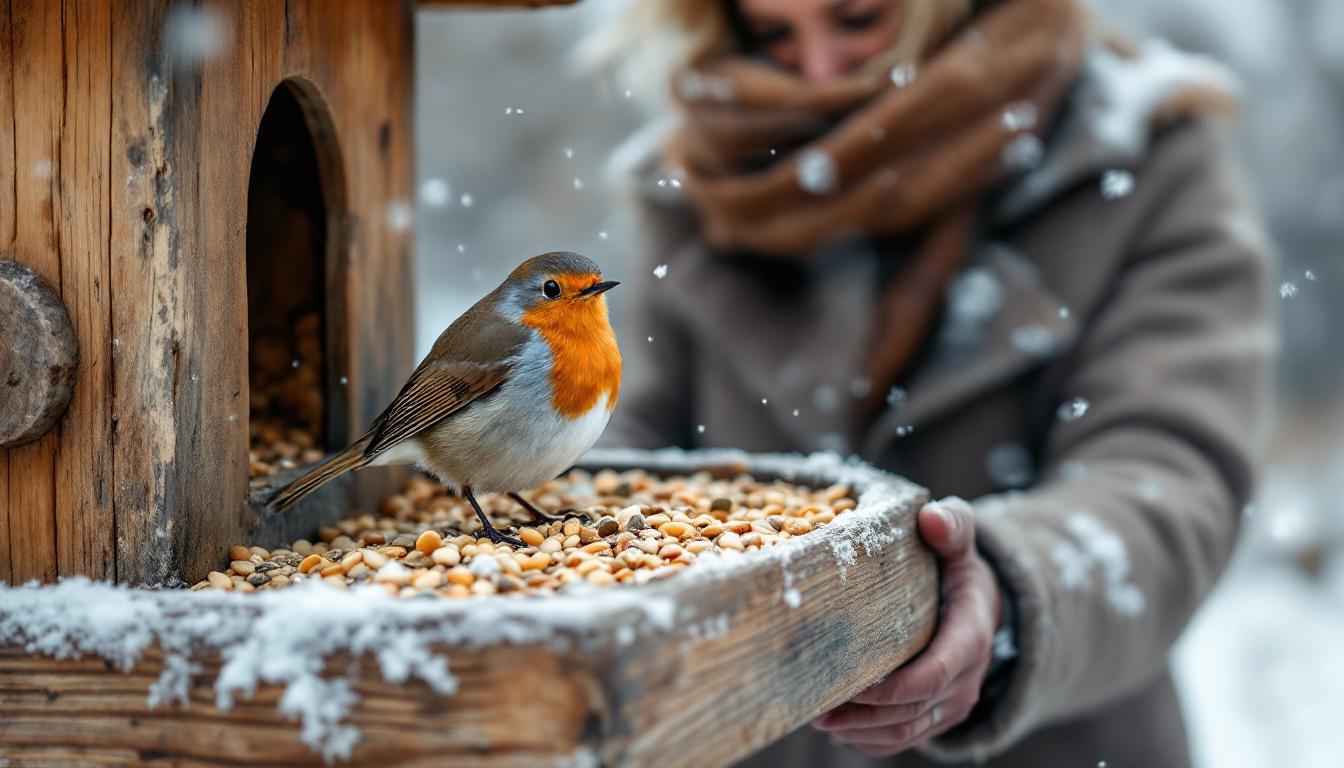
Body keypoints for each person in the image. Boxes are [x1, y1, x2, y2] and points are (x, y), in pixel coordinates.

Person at [596, 0, 1275, 765]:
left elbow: (1166, 474)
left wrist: (1008, 593)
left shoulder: (1142, 154)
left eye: (858, 18)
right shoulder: (702, 180)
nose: (817, 70)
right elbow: (638, 446)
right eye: (773, 33)